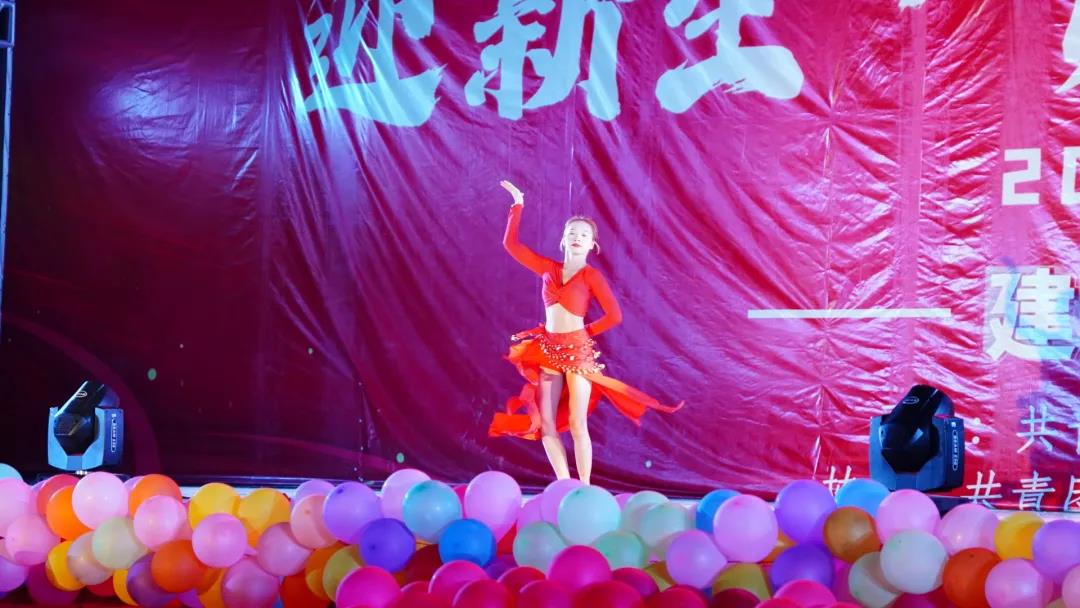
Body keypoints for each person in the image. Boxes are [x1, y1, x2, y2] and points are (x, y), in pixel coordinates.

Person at [488, 180, 683, 484]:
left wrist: (584, 333)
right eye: (572, 233)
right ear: (563, 240)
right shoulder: (548, 268)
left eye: (584, 235)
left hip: (578, 352)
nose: (577, 237)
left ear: (593, 244)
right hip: (548, 350)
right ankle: (565, 486)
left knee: (578, 423)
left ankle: (585, 487)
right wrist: (518, 203)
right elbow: (511, 245)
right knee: (547, 424)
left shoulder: (592, 276)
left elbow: (615, 316)